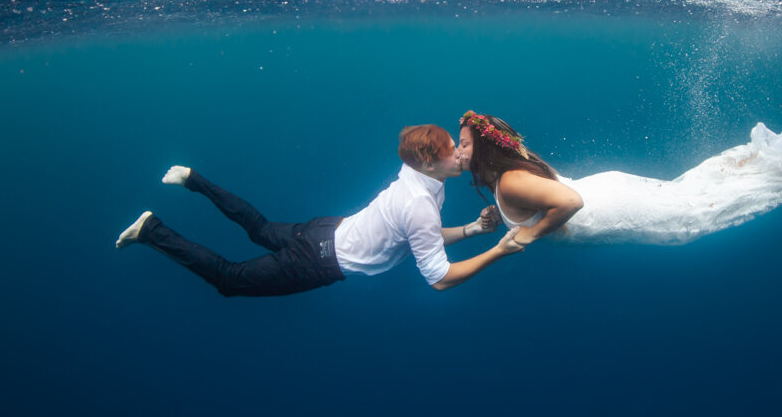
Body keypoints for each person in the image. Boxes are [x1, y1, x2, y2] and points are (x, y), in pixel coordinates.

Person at [116, 124, 523, 296]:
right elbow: (439, 279)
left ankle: (193, 179)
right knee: (229, 280)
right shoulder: (420, 202)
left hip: (323, 231)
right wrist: (498, 251)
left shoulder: (418, 175)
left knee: (257, 228)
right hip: (320, 258)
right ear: (429, 163)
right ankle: (151, 229)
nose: (460, 156)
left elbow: (416, 234)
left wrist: (470, 230)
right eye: (454, 151)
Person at [457, 111, 782, 246]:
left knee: (692, 217)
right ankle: (757, 163)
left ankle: (775, 178)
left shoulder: (510, 181)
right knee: (683, 194)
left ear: (486, 150)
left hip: (603, 208)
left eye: (463, 145)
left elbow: (570, 202)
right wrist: (497, 217)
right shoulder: (502, 178)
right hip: (605, 190)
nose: (458, 152)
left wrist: (530, 235)